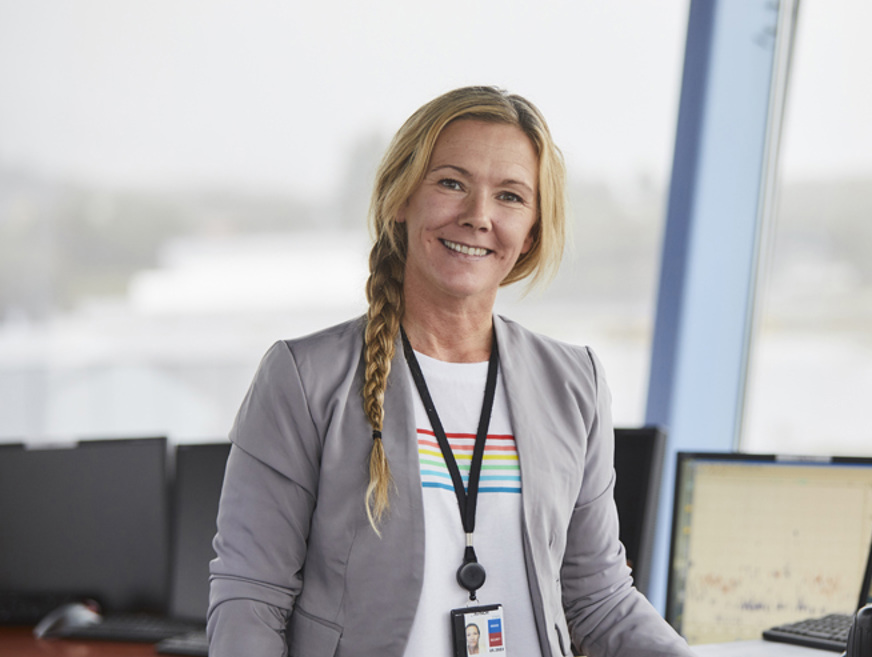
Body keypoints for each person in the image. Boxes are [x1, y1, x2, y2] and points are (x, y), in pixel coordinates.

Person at [207, 86, 694, 657]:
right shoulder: (304, 378)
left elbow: (600, 599)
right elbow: (250, 596)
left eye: (510, 196)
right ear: (401, 197)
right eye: (451, 183)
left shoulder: (573, 382)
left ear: (532, 231)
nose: (478, 216)